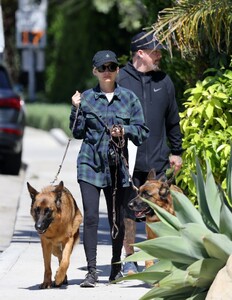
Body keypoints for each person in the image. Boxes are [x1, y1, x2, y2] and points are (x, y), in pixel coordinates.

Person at [69, 50, 149, 287]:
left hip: (117, 167)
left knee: (117, 219)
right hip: (89, 165)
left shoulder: (129, 98)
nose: (107, 72)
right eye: (102, 68)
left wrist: (124, 131)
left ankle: (115, 267)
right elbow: (77, 132)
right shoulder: (86, 98)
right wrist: (75, 109)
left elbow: (142, 131)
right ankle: (92, 272)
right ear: (94, 71)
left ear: (117, 70)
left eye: (111, 67)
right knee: (91, 217)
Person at [117, 31, 183, 275]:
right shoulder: (121, 79)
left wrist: (176, 151)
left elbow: (172, 120)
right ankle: (130, 258)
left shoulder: (164, 81)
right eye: (155, 51)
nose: (159, 55)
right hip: (128, 160)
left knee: (157, 210)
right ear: (140, 53)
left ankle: (156, 258)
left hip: (157, 159)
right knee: (129, 210)